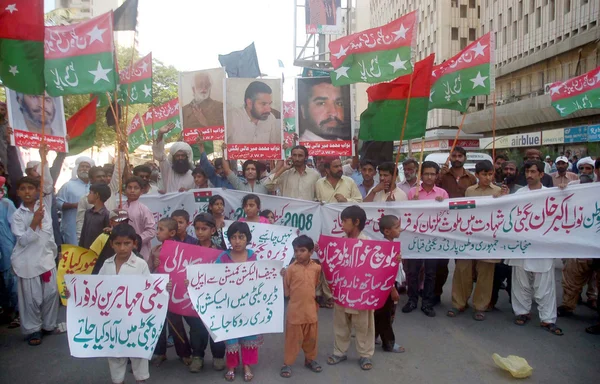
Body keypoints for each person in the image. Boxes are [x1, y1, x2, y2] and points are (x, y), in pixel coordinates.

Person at [508, 160, 563, 336]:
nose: (529, 175)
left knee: (544, 285)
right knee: (520, 282)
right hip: (521, 245)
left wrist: (565, 192)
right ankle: (522, 312)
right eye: (527, 172)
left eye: (533, 172)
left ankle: (547, 319)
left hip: (542, 246)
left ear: (541, 174)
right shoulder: (518, 194)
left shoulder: (552, 194)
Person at [92, 224, 151, 383]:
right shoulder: (107, 264)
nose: (122, 248)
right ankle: (118, 380)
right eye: (118, 243)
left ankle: (141, 380)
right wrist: (75, 294)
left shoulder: (141, 264)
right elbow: (95, 289)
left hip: (135, 319)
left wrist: (163, 288)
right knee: (115, 354)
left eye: (127, 243)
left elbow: (150, 289)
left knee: (138, 353)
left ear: (134, 244)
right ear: (111, 244)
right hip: (113, 320)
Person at [448, 160, 505, 321]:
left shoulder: (499, 191)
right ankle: (458, 303)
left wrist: (502, 198)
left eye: (490, 174)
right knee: (462, 269)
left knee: (485, 273)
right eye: (484, 174)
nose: (488, 177)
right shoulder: (470, 191)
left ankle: (480, 306)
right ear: (477, 175)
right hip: (470, 236)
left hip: (488, 238)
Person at [11, 154, 59, 346]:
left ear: (37, 190)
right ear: (18, 193)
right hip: (28, 262)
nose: (27, 192)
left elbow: (47, 184)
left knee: (50, 294)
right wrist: (33, 224)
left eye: (31, 188)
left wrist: (44, 158)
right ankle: (33, 329)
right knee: (32, 299)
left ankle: (48, 325)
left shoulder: (44, 206)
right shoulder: (17, 215)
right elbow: (22, 241)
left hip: (45, 258)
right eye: (23, 189)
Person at [327, 205, 374, 371]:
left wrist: (394, 259)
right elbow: (331, 263)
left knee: (364, 324)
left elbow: (378, 266)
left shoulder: (368, 243)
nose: (341, 225)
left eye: (344, 221)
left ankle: (365, 354)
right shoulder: (338, 242)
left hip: (361, 292)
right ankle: (339, 351)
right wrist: (322, 251)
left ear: (356, 222)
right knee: (341, 322)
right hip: (342, 290)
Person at [216, 221, 263, 382]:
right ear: (229, 239)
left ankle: (247, 366)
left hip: (248, 305)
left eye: (241, 237)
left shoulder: (253, 256)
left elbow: (261, 278)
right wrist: (194, 282)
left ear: (247, 239)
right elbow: (211, 278)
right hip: (228, 305)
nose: (237, 241)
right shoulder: (222, 258)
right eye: (233, 237)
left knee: (249, 335)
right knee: (231, 337)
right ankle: (231, 366)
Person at [184, 213, 227, 372]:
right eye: (197, 228)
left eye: (204, 228)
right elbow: (181, 268)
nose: (200, 232)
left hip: (216, 296)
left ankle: (218, 357)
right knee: (196, 328)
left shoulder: (220, 251)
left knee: (216, 327)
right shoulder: (189, 249)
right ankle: (197, 357)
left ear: (213, 230)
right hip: (195, 296)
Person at [405, 161, 448, 317]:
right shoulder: (412, 192)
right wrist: (413, 203)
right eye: (426, 174)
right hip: (415, 237)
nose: (429, 177)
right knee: (412, 272)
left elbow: (446, 216)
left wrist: (442, 205)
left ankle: (427, 303)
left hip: (433, 238)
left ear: (437, 175)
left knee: (431, 272)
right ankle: (412, 300)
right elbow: (406, 215)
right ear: (421, 175)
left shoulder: (442, 193)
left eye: (432, 174)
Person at [435, 147, 477, 305]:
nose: (457, 158)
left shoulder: (471, 178)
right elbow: (434, 191)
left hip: (464, 226)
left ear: (465, 158)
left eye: (460, 156)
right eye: (454, 155)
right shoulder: (443, 176)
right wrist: (439, 176)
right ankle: (436, 294)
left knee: (463, 266)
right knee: (441, 263)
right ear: (450, 157)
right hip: (443, 224)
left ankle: (461, 299)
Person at [150, 217, 193, 368]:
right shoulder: (155, 250)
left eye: (161, 229)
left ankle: (184, 353)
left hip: (175, 292)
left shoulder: (180, 249)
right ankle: (160, 353)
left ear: (172, 232)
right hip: (159, 293)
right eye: (158, 229)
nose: (157, 232)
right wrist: (155, 265)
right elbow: (149, 271)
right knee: (159, 324)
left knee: (176, 323)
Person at [280, 235, 322, 378]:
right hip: (295, 313)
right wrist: (281, 277)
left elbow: (318, 287)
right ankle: (287, 363)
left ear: (311, 252)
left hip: (311, 311)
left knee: (311, 339)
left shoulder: (317, 268)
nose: (298, 254)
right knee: (292, 340)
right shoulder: (290, 269)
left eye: (302, 250)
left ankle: (310, 360)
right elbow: (286, 291)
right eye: (296, 250)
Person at [375, 215, 404, 353]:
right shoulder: (385, 248)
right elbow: (385, 272)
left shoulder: (391, 245)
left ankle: (373, 336)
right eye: (397, 227)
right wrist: (392, 289)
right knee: (386, 315)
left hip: (389, 285)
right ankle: (388, 343)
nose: (400, 229)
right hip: (387, 287)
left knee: (379, 313)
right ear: (387, 231)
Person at [227, 81, 281, 145]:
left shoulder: (270, 118)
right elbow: (219, 146)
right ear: (249, 103)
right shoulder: (232, 117)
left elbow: (274, 146)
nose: (268, 109)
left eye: (269, 104)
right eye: (263, 104)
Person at [57, 156, 95, 245]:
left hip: (92, 225)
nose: (85, 169)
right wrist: (73, 205)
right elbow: (58, 203)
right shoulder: (68, 186)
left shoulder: (95, 186)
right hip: (72, 225)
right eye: (82, 166)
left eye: (87, 167)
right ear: (77, 168)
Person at [153, 122, 196, 193]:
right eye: (177, 156)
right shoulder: (168, 171)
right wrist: (160, 134)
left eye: (182, 156)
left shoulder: (193, 176)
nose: (180, 158)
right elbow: (160, 154)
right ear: (173, 157)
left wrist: (188, 191)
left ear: (187, 157)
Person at [123, 177, 157, 261]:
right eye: (129, 187)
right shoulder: (120, 207)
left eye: (136, 188)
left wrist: (137, 240)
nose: (132, 190)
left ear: (141, 191)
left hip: (139, 249)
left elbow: (151, 231)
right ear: (125, 190)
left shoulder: (144, 209)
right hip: (122, 248)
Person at [0, 176, 17, 325]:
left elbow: (15, 228)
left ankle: (15, 311)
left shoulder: (6, 204)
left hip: (6, 248)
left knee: (10, 280)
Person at [78, 183, 111, 250]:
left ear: (97, 195)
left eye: (90, 193)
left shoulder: (106, 215)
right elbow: (83, 234)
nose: (88, 195)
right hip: (86, 250)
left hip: (99, 251)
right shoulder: (88, 213)